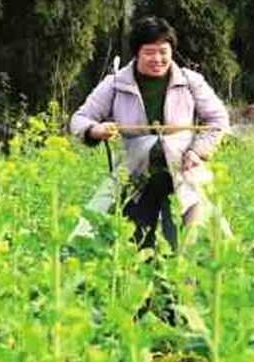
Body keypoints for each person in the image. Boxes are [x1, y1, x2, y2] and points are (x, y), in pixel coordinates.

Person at [70, 16, 229, 252]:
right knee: (133, 238)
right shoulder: (115, 84)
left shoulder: (190, 81)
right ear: (137, 53)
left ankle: (188, 282)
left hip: (183, 169)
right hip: (135, 171)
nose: (158, 59)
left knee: (197, 235)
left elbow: (218, 119)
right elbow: (80, 119)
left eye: (163, 52)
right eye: (149, 52)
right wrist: (95, 130)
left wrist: (197, 152)